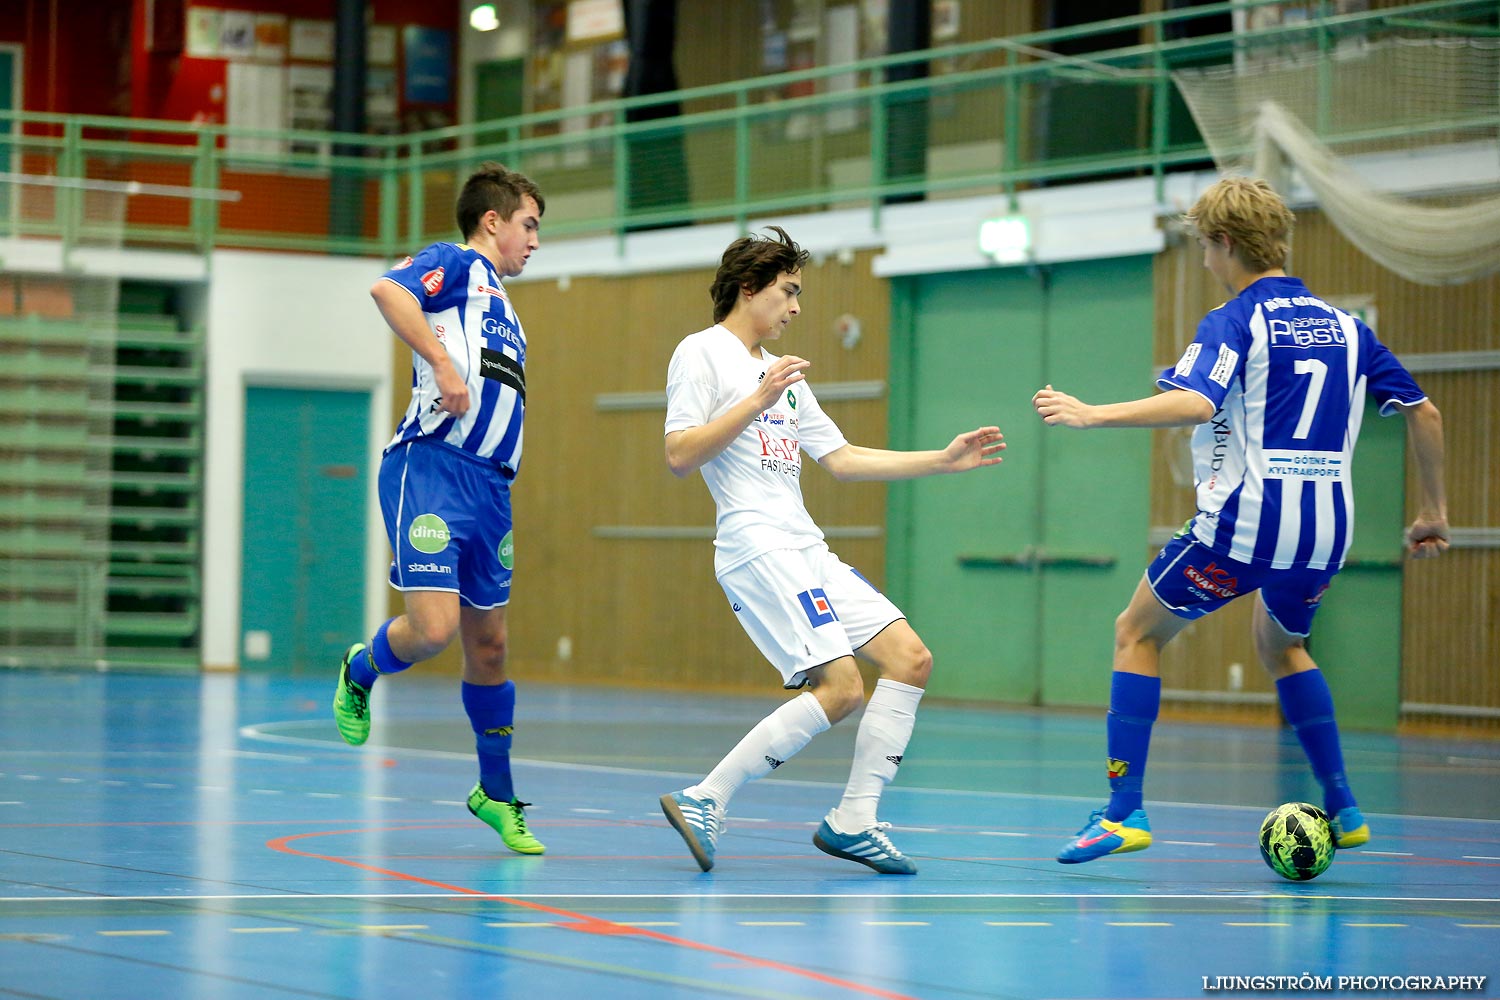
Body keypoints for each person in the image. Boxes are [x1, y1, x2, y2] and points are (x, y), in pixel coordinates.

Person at [1032, 176, 1449, 865]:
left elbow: (1196, 404)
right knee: (1283, 646)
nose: (1203, 261)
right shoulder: (1349, 328)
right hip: (1325, 530)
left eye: (1203, 247)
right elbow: (1424, 412)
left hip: (1248, 521)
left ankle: (1123, 812)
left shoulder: (1234, 320)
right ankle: (1343, 807)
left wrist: (1092, 412)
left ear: (1224, 244)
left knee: (1135, 632)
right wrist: (1432, 511)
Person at [659, 226, 1006, 875]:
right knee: (842, 687)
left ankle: (855, 820)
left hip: (804, 545)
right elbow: (679, 454)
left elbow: (842, 460)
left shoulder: (783, 378)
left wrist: (943, 460)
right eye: (788, 292)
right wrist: (755, 400)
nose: (795, 307)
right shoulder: (700, 354)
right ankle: (706, 797)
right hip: (755, 544)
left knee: (909, 657)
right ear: (748, 288)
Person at [332, 162, 547, 856]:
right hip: (430, 468)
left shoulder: (506, 309)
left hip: (491, 489)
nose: (534, 242)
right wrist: (442, 365)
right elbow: (386, 290)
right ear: (493, 222)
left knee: (490, 647)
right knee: (433, 629)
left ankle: (497, 794)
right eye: (529, 224)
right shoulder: (456, 264)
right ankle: (361, 668)